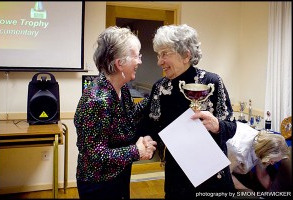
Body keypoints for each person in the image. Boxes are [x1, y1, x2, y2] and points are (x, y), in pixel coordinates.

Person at [136, 24, 236, 199]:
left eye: (165, 54)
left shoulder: (211, 82)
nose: (159, 62)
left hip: (211, 178)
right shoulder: (159, 88)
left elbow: (231, 126)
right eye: (158, 55)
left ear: (186, 55)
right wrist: (147, 137)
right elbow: (149, 125)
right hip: (177, 179)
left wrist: (217, 125)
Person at [74, 26, 157, 199]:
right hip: (99, 185)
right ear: (120, 63)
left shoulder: (122, 88)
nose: (140, 61)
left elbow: (130, 116)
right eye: (136, 56)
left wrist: (157, 95)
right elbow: (96, 155)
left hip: (119, 174)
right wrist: (136, 150)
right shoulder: (97, 101)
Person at [227, 121, 290, 191]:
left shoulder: (263, 146)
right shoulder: (239, 151)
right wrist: (247, 190)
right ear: (268, 154)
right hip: (220, 169)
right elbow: (226, 176)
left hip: (235, 167)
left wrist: (272, 193)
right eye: (272, 161)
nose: (272, 163)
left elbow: (262, 174)